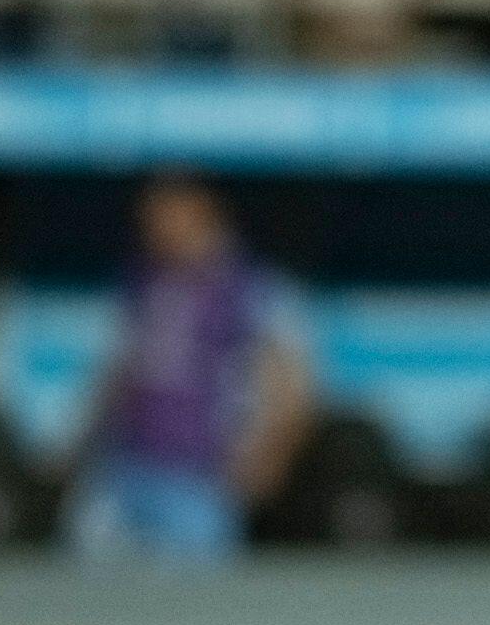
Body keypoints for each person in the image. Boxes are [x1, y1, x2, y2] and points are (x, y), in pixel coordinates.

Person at [64, 175, 311, 564]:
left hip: (199, 475)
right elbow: (120, 369)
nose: (154, 229)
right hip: (125, 464)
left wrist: (268, 455)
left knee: (192, 607)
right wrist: (82, 441)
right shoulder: (143, 280)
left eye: (165, 215)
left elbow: (290, 383)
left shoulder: (250, 287)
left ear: (201, 213)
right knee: (85, 590)